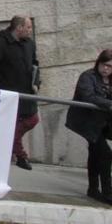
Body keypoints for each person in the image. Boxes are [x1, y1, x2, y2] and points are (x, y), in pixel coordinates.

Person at [0, 15, 41, 171]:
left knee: (33, 119)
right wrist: (5, 84)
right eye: (28, 27)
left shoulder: (29, 44)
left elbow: (35, 64)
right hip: (10, 94)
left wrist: (36, 83)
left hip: (28, 92)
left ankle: (11, 149)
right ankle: (20, 155)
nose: (30, 30)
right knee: (11, 125)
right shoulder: (1, 43)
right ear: (19, 28)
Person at [65, 50, 112, 204]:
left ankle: (93, 189)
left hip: (102, 123)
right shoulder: (88, 76)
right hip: (86, 121)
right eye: (104, 65)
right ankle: (107, 192)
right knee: (105, 153)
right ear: (99, 63)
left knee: (95, 152)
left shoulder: (110, 80)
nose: (106, 69)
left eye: (110, 67)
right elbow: (88, 96)